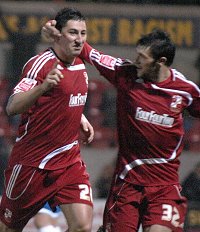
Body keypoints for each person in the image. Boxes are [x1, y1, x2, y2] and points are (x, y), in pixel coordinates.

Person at [43, 24, 200, 232]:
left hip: (164, 187)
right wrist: (59, 35)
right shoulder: (126, 75)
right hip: (127, 184)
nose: (136, 62)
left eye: (142, 58)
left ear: (160, 62)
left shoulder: (186, 91)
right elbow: (90, 53)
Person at [0, 7, 94, 232]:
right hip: (32, 164)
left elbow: (63, 95)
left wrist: (79, 116)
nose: (79, 39)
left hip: (69, 161)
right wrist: (43, 87)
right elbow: (12, 106)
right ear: (58, 34)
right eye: (73, 33)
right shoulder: (39, 65)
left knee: (82, 226)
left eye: (83, 33)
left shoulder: (80, 63)